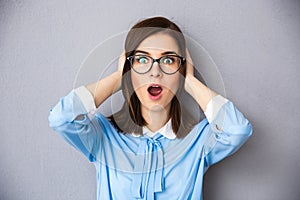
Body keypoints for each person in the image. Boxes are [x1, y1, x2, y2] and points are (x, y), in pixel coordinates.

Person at [48, 16, 252, 200]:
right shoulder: (104, 137)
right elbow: (61, 118)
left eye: (168, 60)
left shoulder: (198, 142)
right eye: (142, 59)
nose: (155, 72)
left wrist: (189, 81)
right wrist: (119, 78)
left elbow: (237, 130)